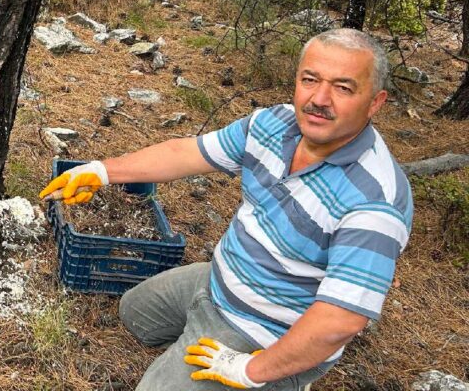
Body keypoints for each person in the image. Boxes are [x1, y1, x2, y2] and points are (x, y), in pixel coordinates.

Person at [39, 28, 412, 390]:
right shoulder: (273, 124)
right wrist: (101, 171)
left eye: (343, 87)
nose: (319, 99)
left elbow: (341, 321)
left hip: (267, 330)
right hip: (219, 278)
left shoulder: (375, 199)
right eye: (310, 80)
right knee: (134, 313)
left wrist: (251, 369)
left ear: (375, 102)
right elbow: (185, 152)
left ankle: (284, 379)